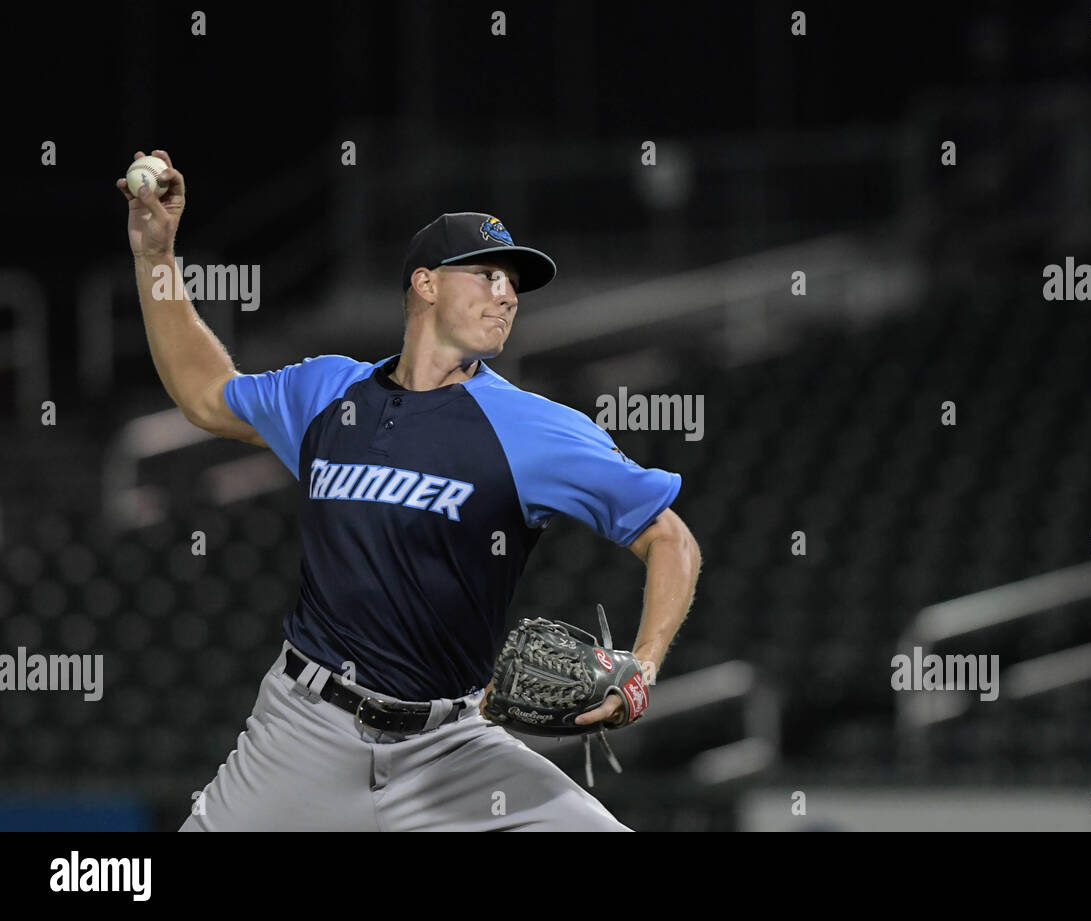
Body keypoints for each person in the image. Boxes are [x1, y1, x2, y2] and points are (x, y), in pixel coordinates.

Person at [117, 150, 702, 831]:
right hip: (303, 735)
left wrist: (643, 664)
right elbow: (203, 393)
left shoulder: (535, 428)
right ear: (425, 283)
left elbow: (670, 537)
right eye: (487, 273)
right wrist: (156, 257)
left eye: (513, 281)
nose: (506, 292)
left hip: (452, 750)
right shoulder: (326, 392)